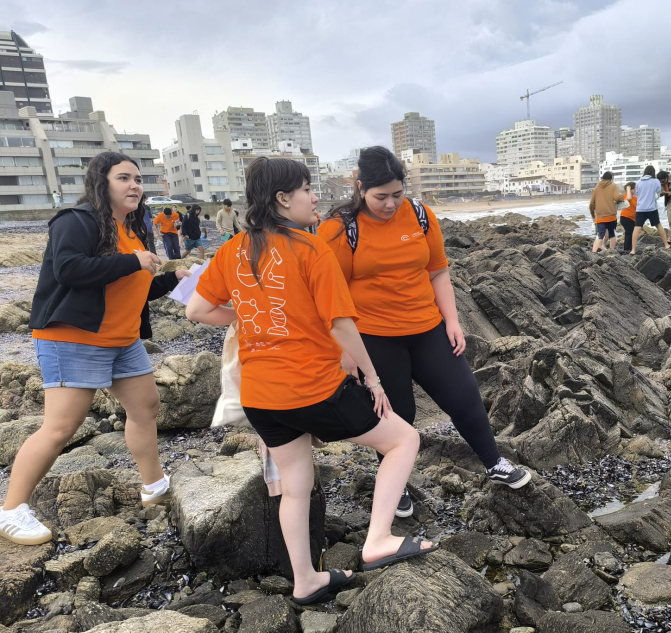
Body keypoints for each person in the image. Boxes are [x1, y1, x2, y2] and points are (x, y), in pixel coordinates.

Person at [186, 157, 436, 604]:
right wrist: (374, 380)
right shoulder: (310, 248)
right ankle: (378, 538)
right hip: (314, 387)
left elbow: (197, 310)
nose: (315, 196)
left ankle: (306, 580)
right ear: (283, 198)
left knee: (295, 486)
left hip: (261, 395)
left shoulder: (231, 249)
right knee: (403, 441)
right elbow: (341, 324)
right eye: (306, 189)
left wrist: (249, 317)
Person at [317, 146, 531, 520]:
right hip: (374, 337)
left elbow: (438, 271)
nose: (389, 204)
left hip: (427, 327)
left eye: (397, 194)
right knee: (398, 414)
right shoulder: (338, 228)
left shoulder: (419, 215)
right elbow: (329, 296)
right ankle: (394, 486)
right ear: (360, 187)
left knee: (464, 396)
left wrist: (452, 320)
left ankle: (494, 463)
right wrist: (344, 352)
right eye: (380, 196)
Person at [0, 152, 191, 545]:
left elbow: (129, 288)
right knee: (61, 427)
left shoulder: (135, 232)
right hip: (72, 337)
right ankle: (11, 509)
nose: (134, 185)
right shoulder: (77, 221)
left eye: (138, 179)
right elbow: (68, 269)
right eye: (124, 178)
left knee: (146, 407)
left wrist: (172, 281)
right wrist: (131, 261)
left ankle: (153, 485)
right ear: (101, 183)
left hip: (121, 340)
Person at [627, 166, 670, 255]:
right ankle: (666, 244)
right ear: (653, 173)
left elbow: (637, 194)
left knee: (636, 228)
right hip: (652, 208)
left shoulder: (638, 182)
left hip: (640, 209)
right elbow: (658, 194)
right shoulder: (656, 181)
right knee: (658, 225)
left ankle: (633, 250)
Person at [588, 171, 622, 253]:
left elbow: (591, 203)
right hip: (611, 216)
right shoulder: (612, 186)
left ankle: (593, 252)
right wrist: (622, 198)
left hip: (600, 217)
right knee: (612, 235)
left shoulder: (596, 188)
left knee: (599, 236)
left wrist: (593, 215)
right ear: (611, 179)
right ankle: (612, 252)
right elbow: (617, 197)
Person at [619, 182, 637, 254]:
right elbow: (629, 198)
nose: (635, 190)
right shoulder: (625, 196)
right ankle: (626, 249)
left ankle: (629, 248)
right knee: (629, 232)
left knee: (631, 233)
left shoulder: (635, 198)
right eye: (634, 188)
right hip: (625, 217)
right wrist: (628, 189)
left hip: (632, 218)